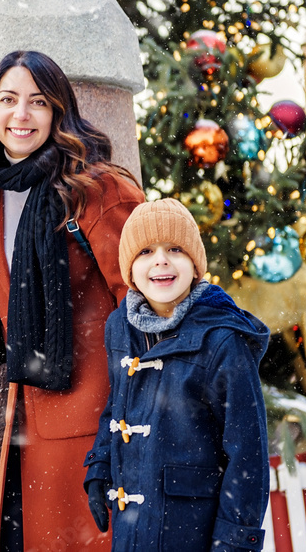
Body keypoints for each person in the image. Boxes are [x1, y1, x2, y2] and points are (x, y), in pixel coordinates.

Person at [0, 50, 144, 551]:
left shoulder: (98, 189)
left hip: (97, 420)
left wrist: (131, 413)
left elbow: (150, 300)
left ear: (58, 111)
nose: (20, 116)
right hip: (29, 417)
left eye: (37, 102)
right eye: (8, 100)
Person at [84, 199, 269, 551]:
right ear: (129, 268)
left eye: (175, 249)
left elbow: (247, 452)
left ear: (195, 265)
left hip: (190, 527)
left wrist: (234, 540)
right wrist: (100, 464)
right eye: (145, 252)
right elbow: (118, 404)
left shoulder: (221, 341)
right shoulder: (119, 328)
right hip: (132, 527)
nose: (161, 260)